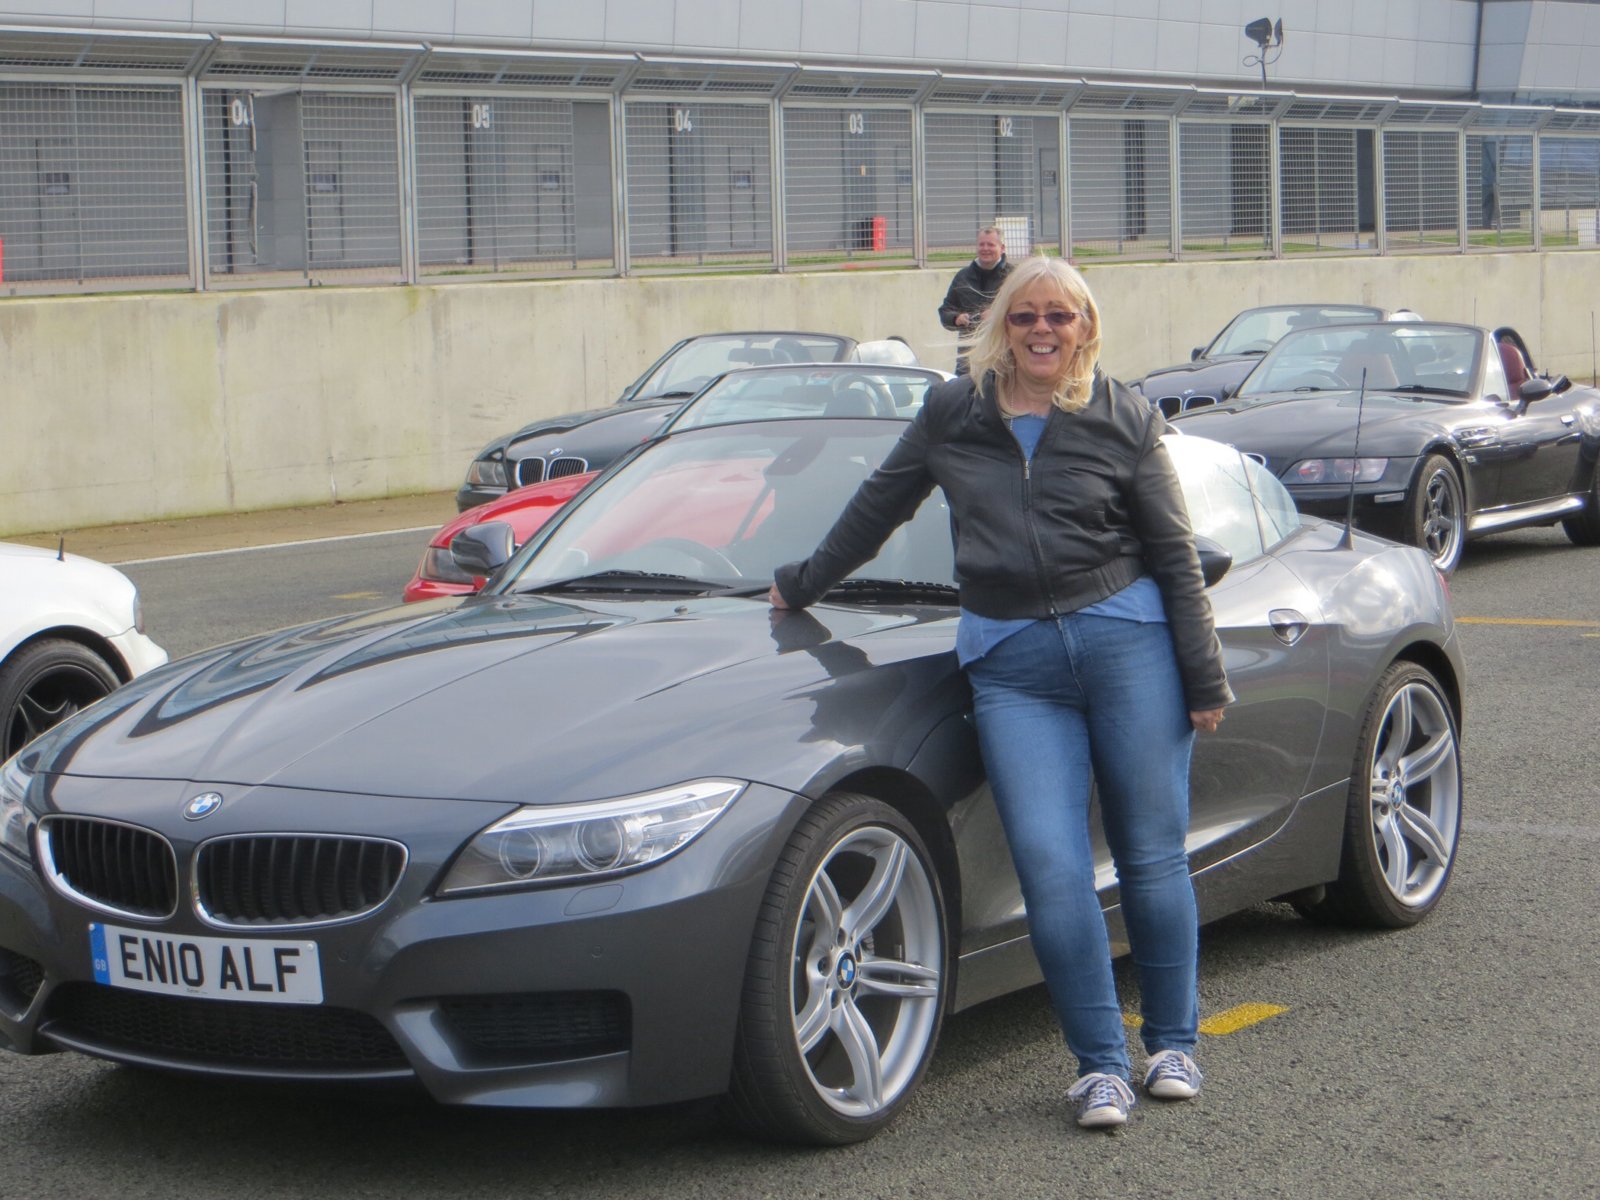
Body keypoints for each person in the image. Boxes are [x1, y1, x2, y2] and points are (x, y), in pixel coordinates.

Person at [770, 255, 1232, 1132]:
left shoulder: (1122, 412)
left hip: (1128, 644)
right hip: (1014, 666)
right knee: (1051, 866)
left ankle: (1174, 1045)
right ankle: (1099, 1067)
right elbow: (880, 506)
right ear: (1000, 326)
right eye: (1026, 318)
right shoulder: (953, 413)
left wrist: (1202, 677)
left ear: (1084, 326)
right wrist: (802, 582)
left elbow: (1174, 552)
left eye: (1060, 317)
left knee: (1150, 854)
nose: (1043, 332)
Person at [938, 226, 1011, 374]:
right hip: (967, 361)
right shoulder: (963, 277)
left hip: (1002, 360)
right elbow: (945, 311)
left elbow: (1025, 314)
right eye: (981, 244)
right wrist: (956, 318)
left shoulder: (1014, 277)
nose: (985, 249)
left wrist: (997, 316)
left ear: (1002, 248)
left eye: (990, 245)